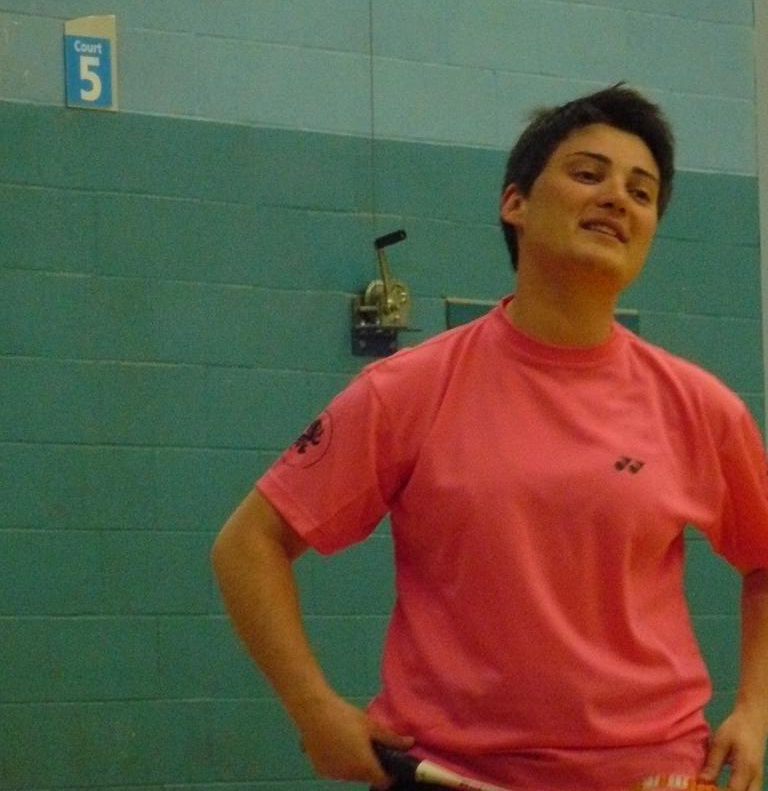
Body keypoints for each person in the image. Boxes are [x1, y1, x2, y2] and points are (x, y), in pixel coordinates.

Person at [212, 85, 768, 791]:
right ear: (515, 203)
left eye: (642, 191)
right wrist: (314, 710)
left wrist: (755, 708)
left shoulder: (701, 407)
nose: (617, 199)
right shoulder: (407, 389)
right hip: (450, 772)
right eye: (588, 173)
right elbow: (247, 546)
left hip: (651, 773)